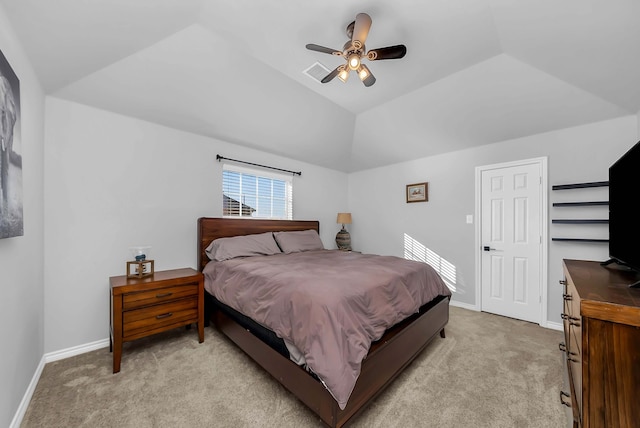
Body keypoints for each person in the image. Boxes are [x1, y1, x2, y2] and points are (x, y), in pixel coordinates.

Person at [0, 72, 17, 215]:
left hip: (3, 137)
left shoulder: (3, 83)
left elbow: (9, 113)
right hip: (4, 136)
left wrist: (6, 133)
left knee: (4, 171)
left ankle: (5, 209)